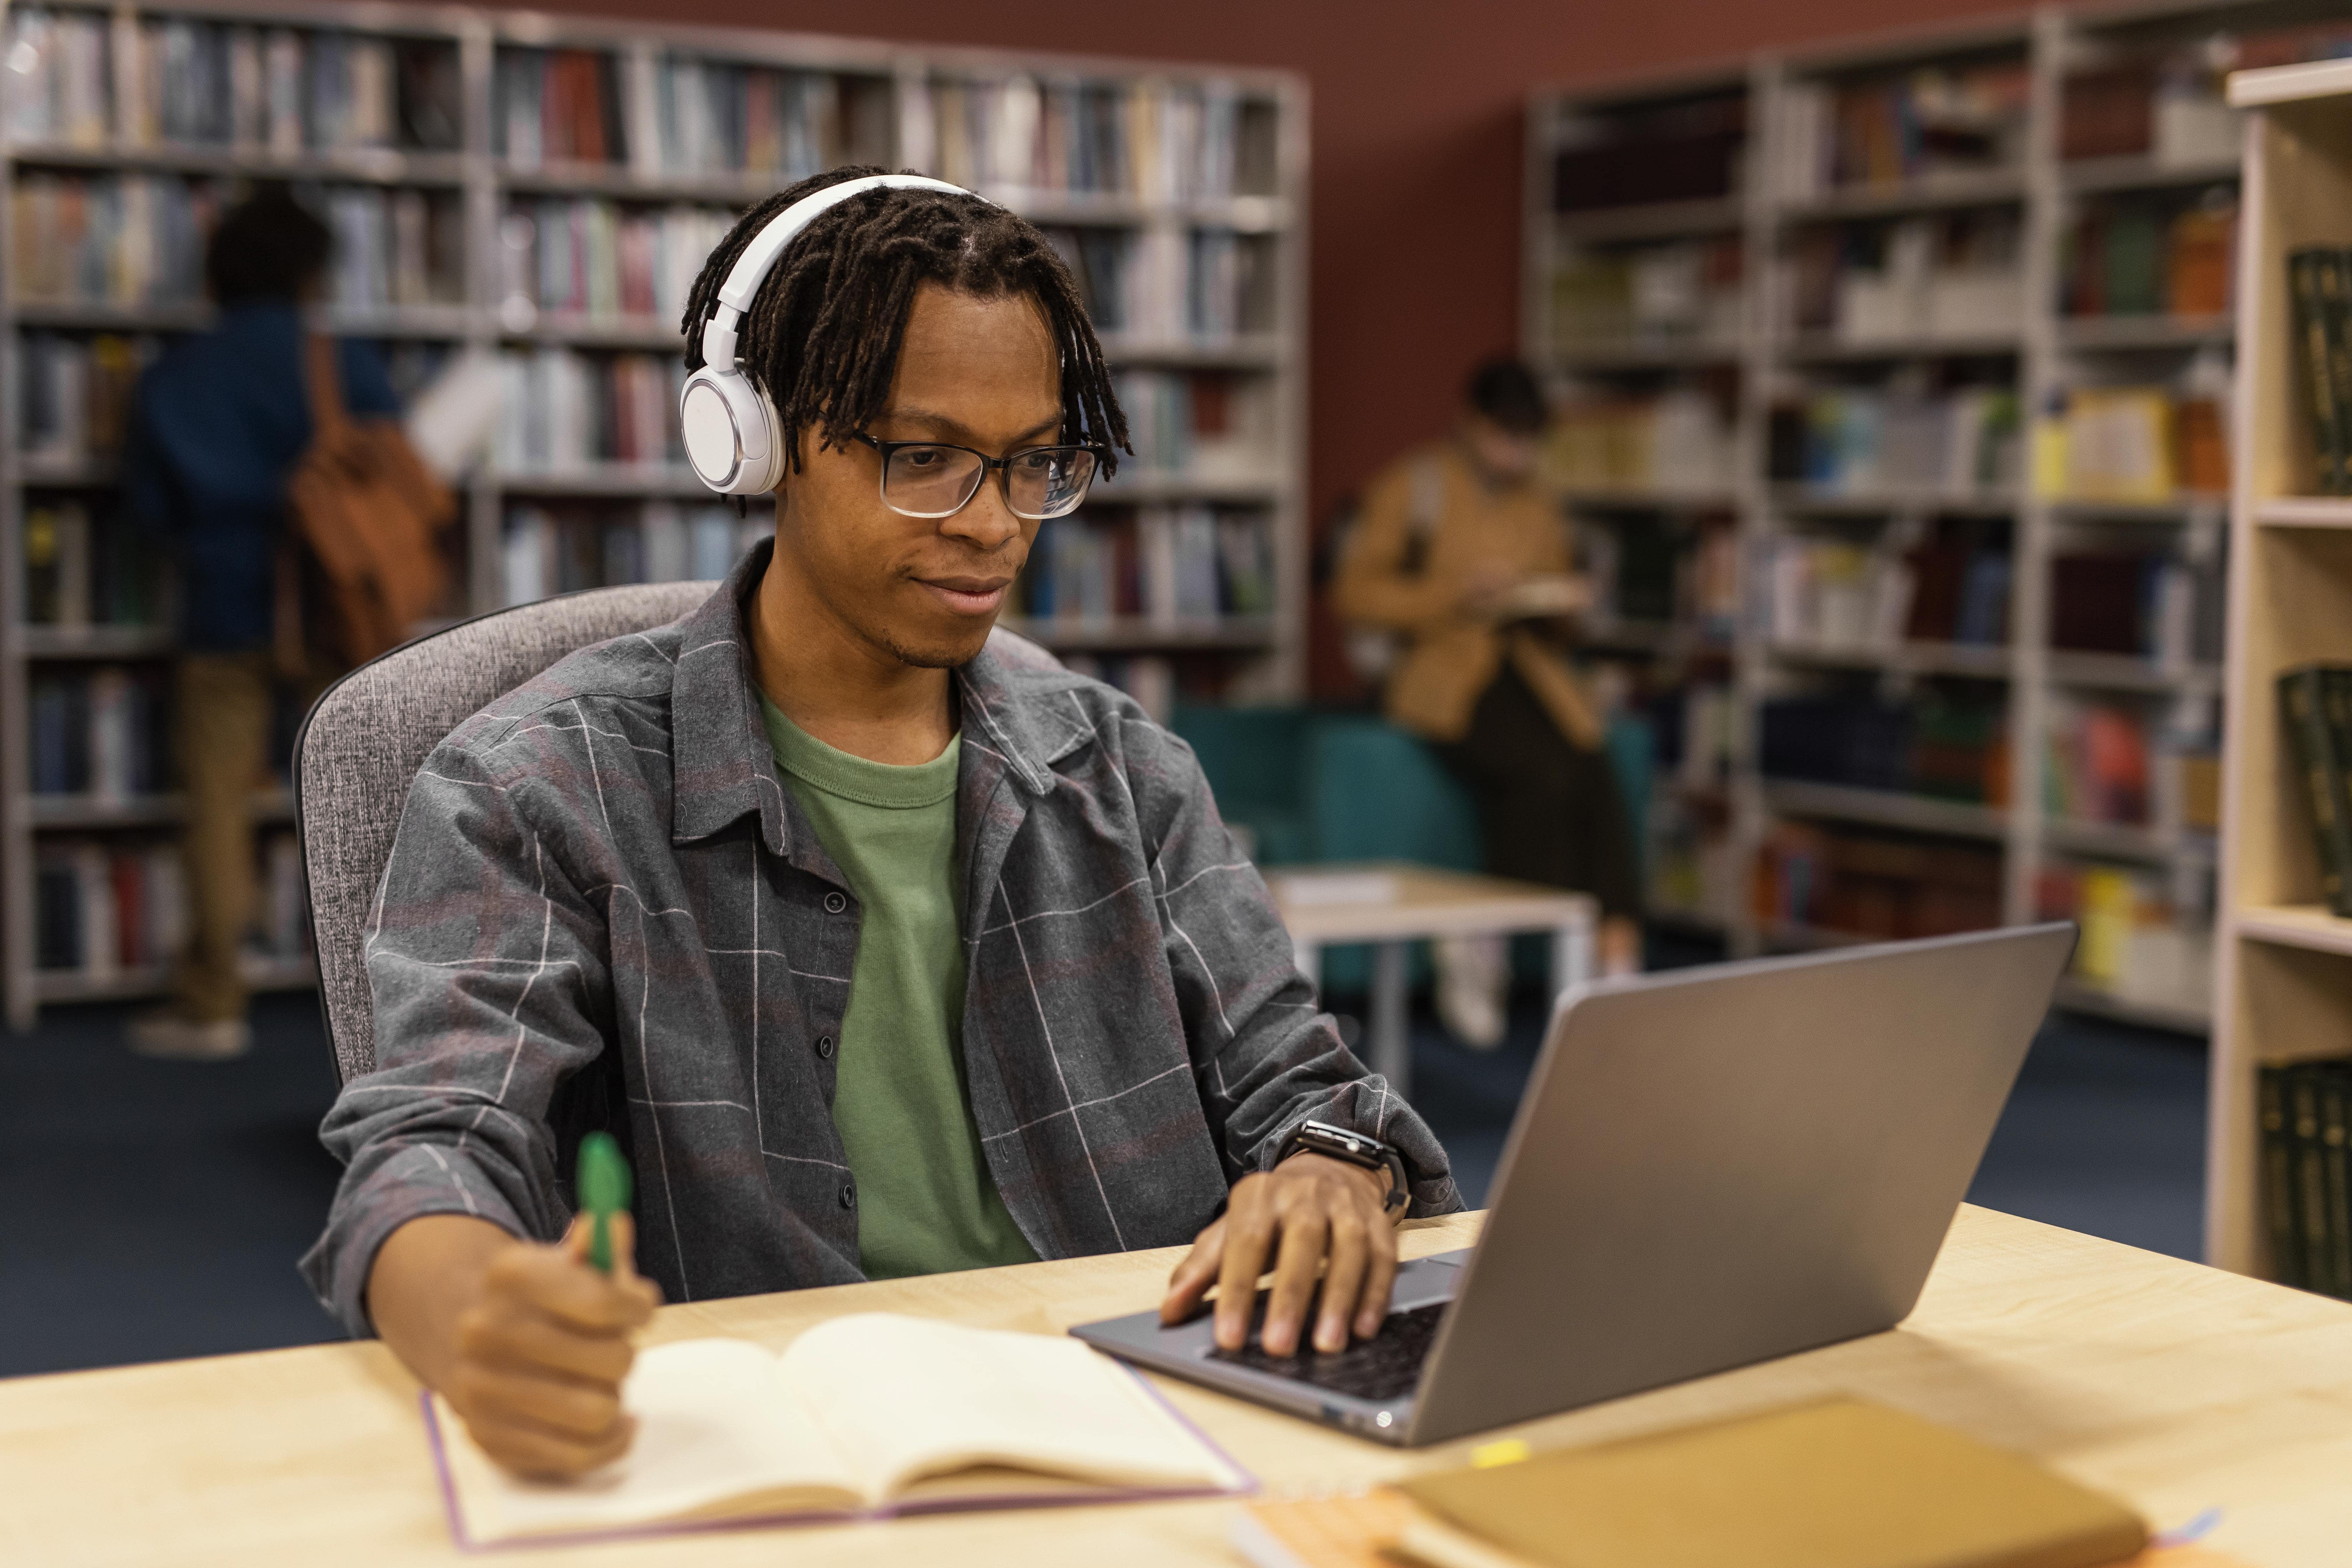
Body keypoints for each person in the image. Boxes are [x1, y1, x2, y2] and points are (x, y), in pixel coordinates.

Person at [301, 168, 1461, 1482]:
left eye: (1034, 464)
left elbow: (1306, 1088)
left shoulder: (1120, 766)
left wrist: (1327, 1171)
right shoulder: (537, 785)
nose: (993, 525)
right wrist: (473, 1319)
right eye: (924, 459)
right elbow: (433, 1146)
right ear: (756, 439)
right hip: (780, 1459)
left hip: (1155, 1424)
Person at [122, 186, 403, 1060]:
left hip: (224, 603)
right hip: (335, 608)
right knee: (361, 802)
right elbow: (395, 476)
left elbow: (151, 511)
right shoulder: (342, 361)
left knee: (216, 801)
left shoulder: (175, 375)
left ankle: (214, 1002)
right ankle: (384, 1006)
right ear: (314, 272)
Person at [1331, 358, 1641, 1049]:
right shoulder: (1415, 485)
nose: (1517, 453)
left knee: (1594, 766)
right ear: (1472, 423)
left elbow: (1557, 600)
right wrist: (1456, 594)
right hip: (1442, 673)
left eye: (1529, 439)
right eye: (1507, 435)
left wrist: (1564, 600)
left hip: (1529, 668)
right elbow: (1356, 593)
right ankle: (1487, 937)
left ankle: (1618, 953)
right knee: (1544, 774)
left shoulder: (1541, 501)